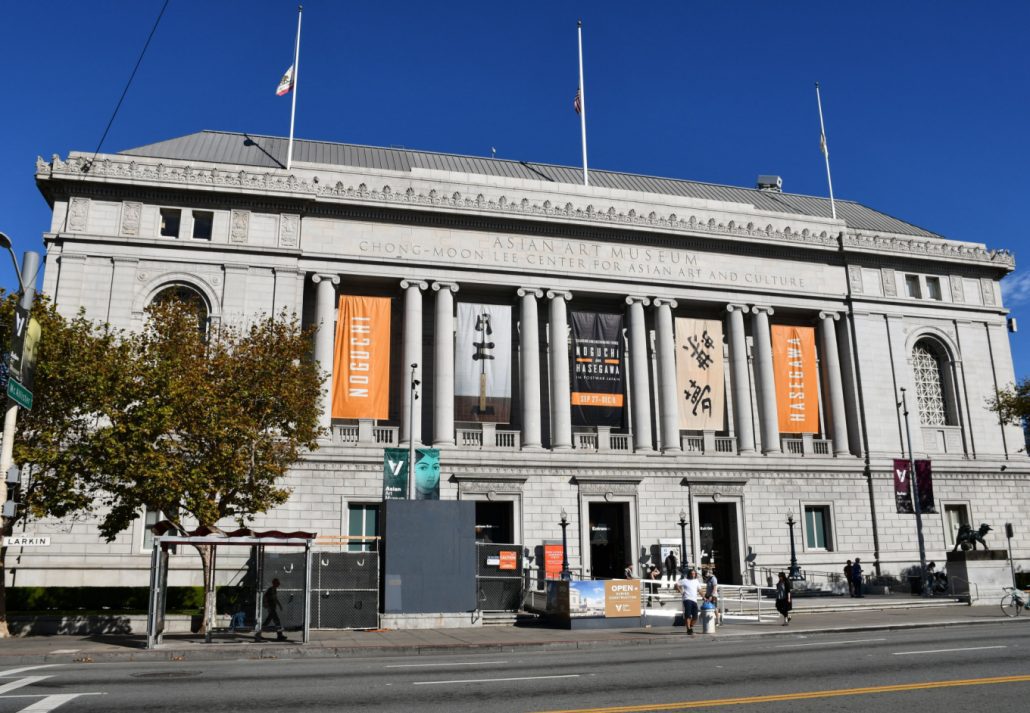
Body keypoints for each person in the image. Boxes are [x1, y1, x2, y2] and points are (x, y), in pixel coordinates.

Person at [675, 567, 701, 635]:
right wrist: (681, 591)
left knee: (695, 616)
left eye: (694, 574)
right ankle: (688, 629)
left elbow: (699, 590)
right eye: (692, 574)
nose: (693, 575)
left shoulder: (696, 581)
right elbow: (676, 584)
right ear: (689, 574)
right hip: (687, 599)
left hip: (694, 600)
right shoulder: (684, 580)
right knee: (688, 615)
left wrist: (704, 597)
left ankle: (690, 626)